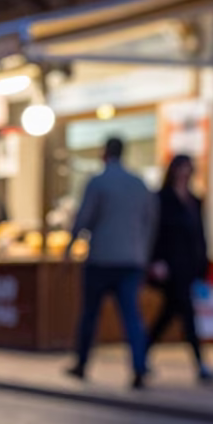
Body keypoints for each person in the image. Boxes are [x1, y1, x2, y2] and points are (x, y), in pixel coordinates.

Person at [66, 137, 158, 389]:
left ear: (104, 154)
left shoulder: (98, 182)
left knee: (90, 315)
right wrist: (145, 255)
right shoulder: (139, 184)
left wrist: (70, 245)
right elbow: (150, 223)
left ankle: (82, 363)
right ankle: (139, 366)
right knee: (132, 317)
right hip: (132, 260)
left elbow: (84, 217)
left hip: (102, 259)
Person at [147, 154, 213, 383]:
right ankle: (200, 365)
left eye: (188, 169)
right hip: (169, 266)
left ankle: (141, 355)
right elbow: (155, 233)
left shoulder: (194, 201)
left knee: (169, 314)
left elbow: (200, 235)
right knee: (186, 315)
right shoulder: (162, 199)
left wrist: (204, 266)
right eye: (181, 168)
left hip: (188, 266)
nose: (184, 173)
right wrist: (156, 260)